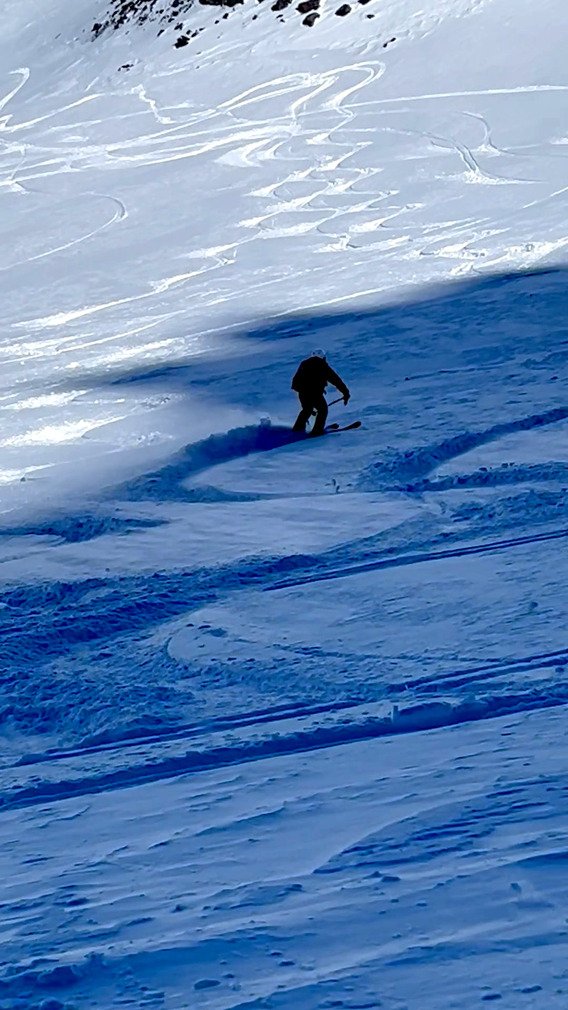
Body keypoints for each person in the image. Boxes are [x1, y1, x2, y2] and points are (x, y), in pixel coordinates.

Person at [291, 349, 350, 435]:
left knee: (307, 410)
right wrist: (346, 393)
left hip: (302, 393)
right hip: (314, 393)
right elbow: (335, 380)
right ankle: (317, 431)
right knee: (323, 410)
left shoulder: (304, 364)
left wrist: (303, 392)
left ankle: (297, 431)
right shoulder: (322, 365)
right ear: (323, 357)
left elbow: (295, 382)